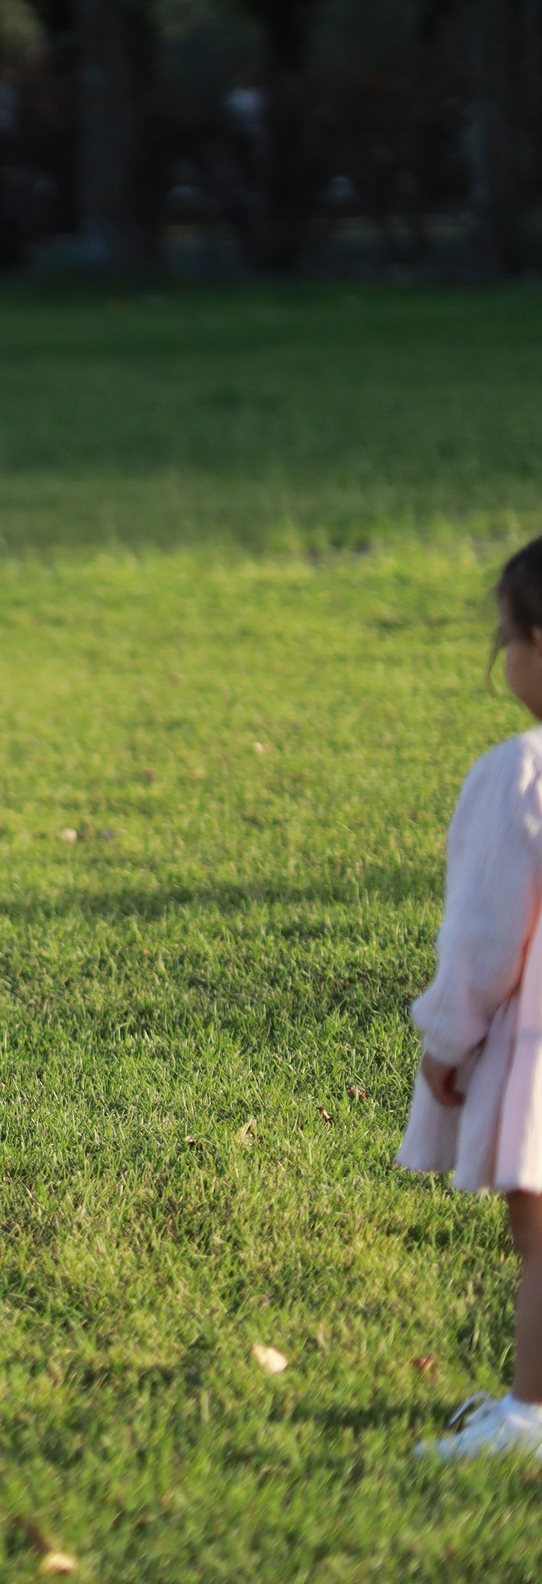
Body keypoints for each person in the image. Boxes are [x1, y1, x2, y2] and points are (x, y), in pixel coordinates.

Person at [404, 535, 542, 1460]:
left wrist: (449, 1041)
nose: (502, 658)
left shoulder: (520, 773)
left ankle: (531, 1417)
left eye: (506, 638)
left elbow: (486, 938)